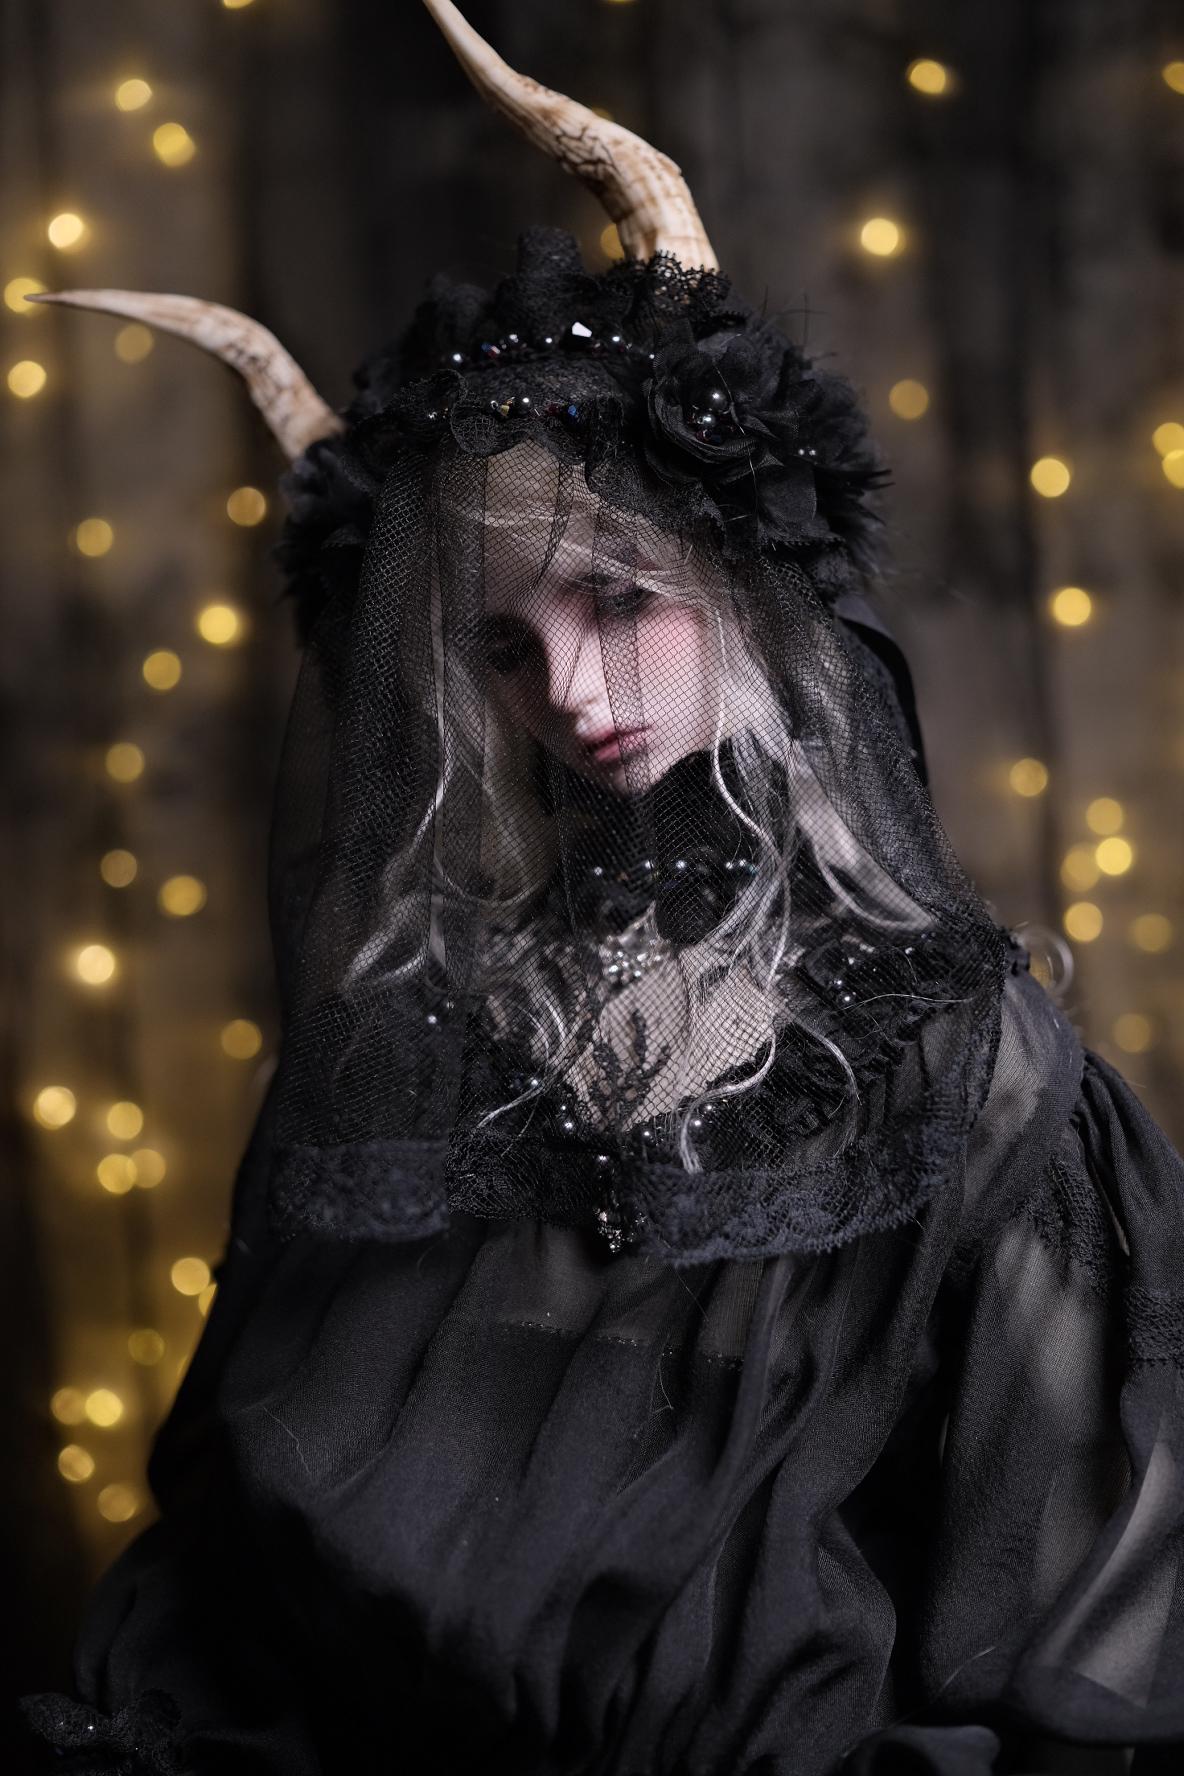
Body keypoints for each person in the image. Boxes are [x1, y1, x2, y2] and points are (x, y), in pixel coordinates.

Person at [18, 3, 1184, 1771]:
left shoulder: (968, 1068)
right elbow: (258, 1529)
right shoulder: (424, 1028)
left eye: (620, 600)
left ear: (749, 587)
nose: (568, 690)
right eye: (502, 644)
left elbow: (1072, 1605)